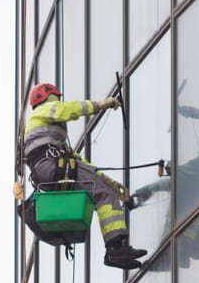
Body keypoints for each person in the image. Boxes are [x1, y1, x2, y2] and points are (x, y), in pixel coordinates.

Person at [23, 82, 147, 270]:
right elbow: (70, 109)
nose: (58, 100)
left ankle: (115, 250)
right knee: (103, 194)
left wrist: (112, 184)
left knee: (101, 189)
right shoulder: (43, 111)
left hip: (50, 169)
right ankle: (115, 248)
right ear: (48, 97)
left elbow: (80, 164)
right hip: (53, 166)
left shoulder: (48, 135)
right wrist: (101, 105)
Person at [132, 102, 199, 268]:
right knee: (187, 196)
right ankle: (174, 250)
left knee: (184, 195)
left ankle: (173, 250)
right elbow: (185, 175)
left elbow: (184, 177)